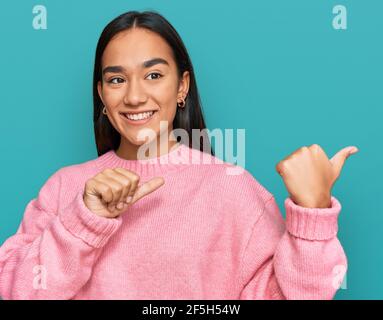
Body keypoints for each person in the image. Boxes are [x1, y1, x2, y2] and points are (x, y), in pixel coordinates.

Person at [0, 10, 357, 300]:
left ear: (182, 86)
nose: (135, 97)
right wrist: (84, 221)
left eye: (153, 74)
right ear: (102, 95)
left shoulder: (231, 190)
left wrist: (312, 216)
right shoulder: (65, 188)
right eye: (116, 80)